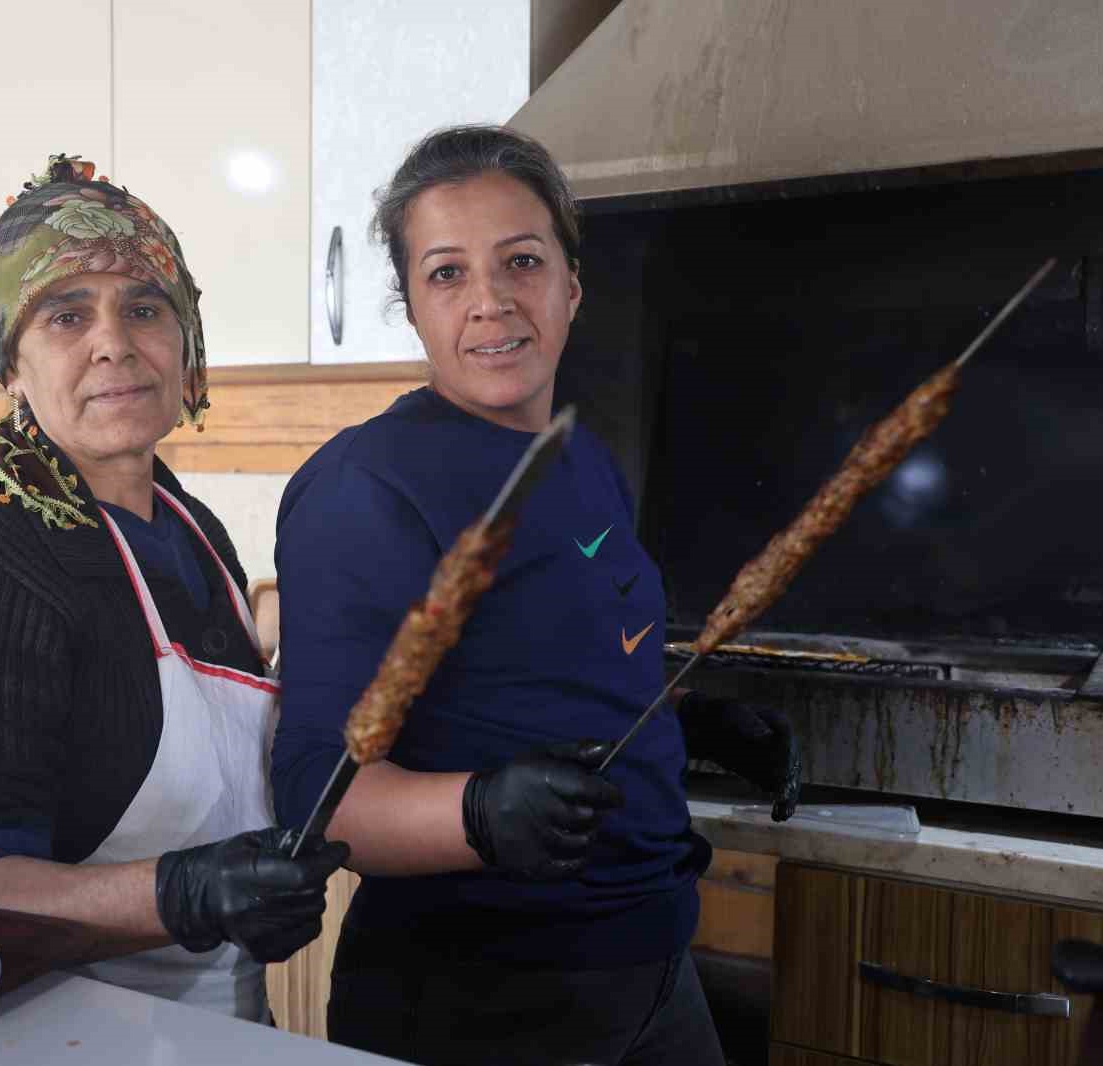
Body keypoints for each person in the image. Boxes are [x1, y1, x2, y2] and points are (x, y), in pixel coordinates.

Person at [270, 126, 802, 1065]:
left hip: (650, 962)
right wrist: (479, 813)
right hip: (480, 997)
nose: (491, 302)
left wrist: (686, 723)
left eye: (522, 260)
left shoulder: (572, 453)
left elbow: (561, 655)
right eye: (446, 273)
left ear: (571, 286)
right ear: (410, 305)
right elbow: (319, 786)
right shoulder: (369, 485)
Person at [0, 154, 348, 1019]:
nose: (113, 341)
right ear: (11, 365)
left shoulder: (192, 531)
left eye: (145, 308)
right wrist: (184, 896)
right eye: (66, 313)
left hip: (221, 1029)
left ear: (186, 342)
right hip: (51, 1030)